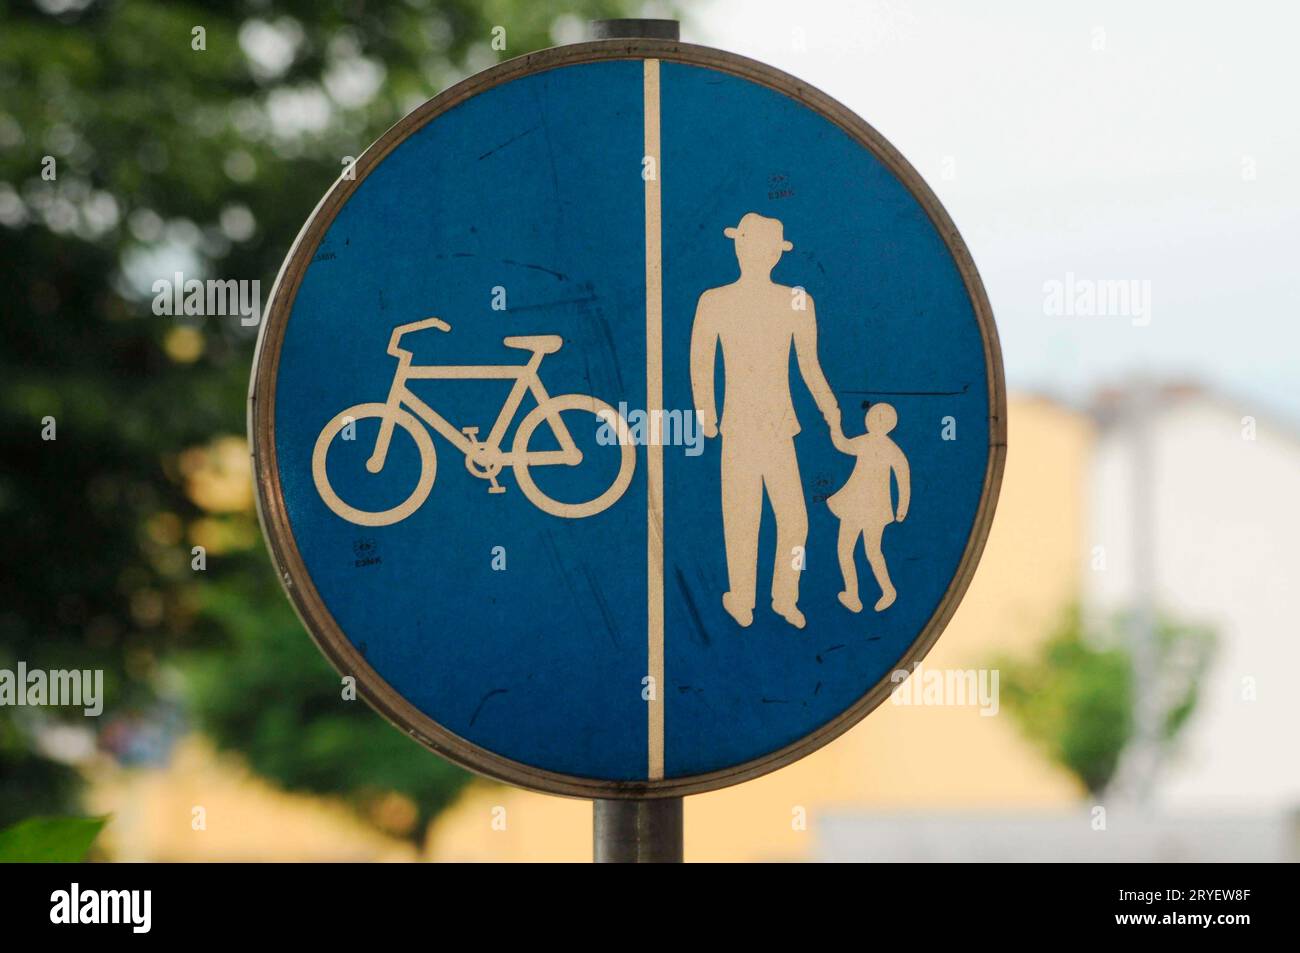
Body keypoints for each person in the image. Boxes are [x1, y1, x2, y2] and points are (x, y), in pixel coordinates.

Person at [690, 212, 840, 629]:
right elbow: (701, 361)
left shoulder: (796, 300)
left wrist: (830, 408)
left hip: (779, 425)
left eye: (766, 248)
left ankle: (784, 597)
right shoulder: (715, 300)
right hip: (737, 425)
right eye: (751, 246)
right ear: (739, 248)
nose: (758, 254)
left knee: (794, 520)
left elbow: (810, 365)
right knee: (742, 518)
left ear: (776, 254)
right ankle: (741, 599)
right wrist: (706, 411)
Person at [828, 402, 910, 612]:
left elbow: (903, 478)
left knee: (853, 551)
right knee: (864, 551)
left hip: (864, 506)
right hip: (865, 506)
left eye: (878, 417)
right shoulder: (887, 447)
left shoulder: (885, 448)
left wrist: (835, 425)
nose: (873, 419)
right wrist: (835, 426)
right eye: (873, 415)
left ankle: (870, 592)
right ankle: (858, 594)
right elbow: (843, 445)